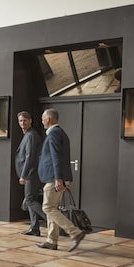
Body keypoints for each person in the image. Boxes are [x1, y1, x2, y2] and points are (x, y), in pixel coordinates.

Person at [36, 108, 85, 252]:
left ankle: (75, 233)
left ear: (48, 119)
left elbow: (56, 157)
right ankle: (51, 241)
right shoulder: (60, 133)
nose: (42, 121)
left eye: (43, 118)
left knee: (48, 208)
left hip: (54, 178)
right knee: (52, 208)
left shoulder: (54, 134)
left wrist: (58, 178)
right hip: (57, 177)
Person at [14, 110, 46, 236]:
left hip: (31, 174)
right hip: (31, 174)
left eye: (25, 120)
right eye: (20, 121)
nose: (22, 123)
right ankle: (34, 228)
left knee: (30, 200)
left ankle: (51, 220)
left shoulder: (31, 135)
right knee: (30, 199)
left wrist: (24, 175)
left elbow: (30, 157)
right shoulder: (27, 134)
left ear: (30, 121)